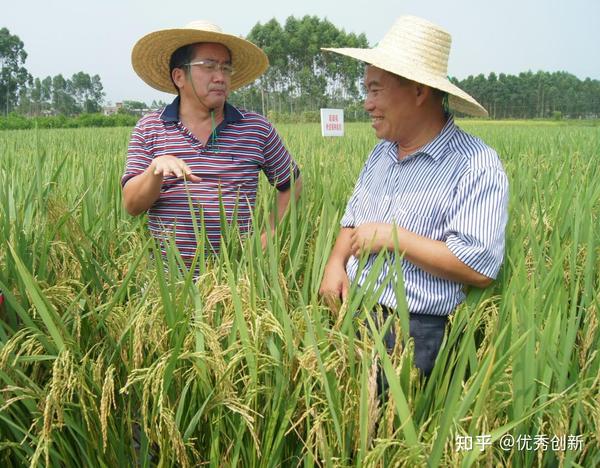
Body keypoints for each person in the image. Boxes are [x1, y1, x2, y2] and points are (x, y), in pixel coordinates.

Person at [319, 16, 509, 377]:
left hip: (413, 331)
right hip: (354, 308)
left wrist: (395, 238)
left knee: (389, 430)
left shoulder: (475, 164)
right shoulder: (381, 152)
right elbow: (353, 220)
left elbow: (479, 268)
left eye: (375, 90)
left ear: (419, 91)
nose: (366, 103)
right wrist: (334, 263)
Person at [122, 21, 301, 268]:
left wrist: (269, 233)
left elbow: (292, 183)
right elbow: (132, 205)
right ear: (179, 76)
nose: (220, 77)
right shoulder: (150, 128)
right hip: (166, 284)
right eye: (208, 66)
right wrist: (155, 170)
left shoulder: (256, 128)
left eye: (226, 68)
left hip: (238, 279)